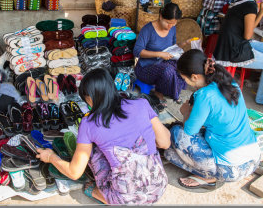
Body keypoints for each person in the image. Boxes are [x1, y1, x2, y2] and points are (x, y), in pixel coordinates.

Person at [36, 68, 171, 204]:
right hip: (158, 187)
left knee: (93, 150)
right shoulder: (141, 104)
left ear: (89, 97)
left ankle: (101, 194)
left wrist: (50, 157)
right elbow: (165, 143)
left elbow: (74, 172)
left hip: (125, 200)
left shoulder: (88, 124)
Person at [164, 49, 261, 189]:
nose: (185, 82)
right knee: (177, 146)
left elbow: (189, 130)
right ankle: (210, 172)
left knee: (176, 134)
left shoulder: (204, 95)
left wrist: (185, 112)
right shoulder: (229, 83)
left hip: (232, 169)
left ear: (194, 77)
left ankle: (207, 177)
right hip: (253, 159)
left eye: (184, 78)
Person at [134, 3, 188, 103]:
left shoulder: (172, 29)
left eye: (173, 23)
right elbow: (137, 51)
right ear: (161, 16)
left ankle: (172, 91)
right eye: (168, 22)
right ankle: (159, 92)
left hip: (163, 63)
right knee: (168, 70)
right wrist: (159, 54)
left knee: (184, 65)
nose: (170, 26)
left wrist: (182, 45)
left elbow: (172, 48)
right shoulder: (148, 30)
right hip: (145, 68)